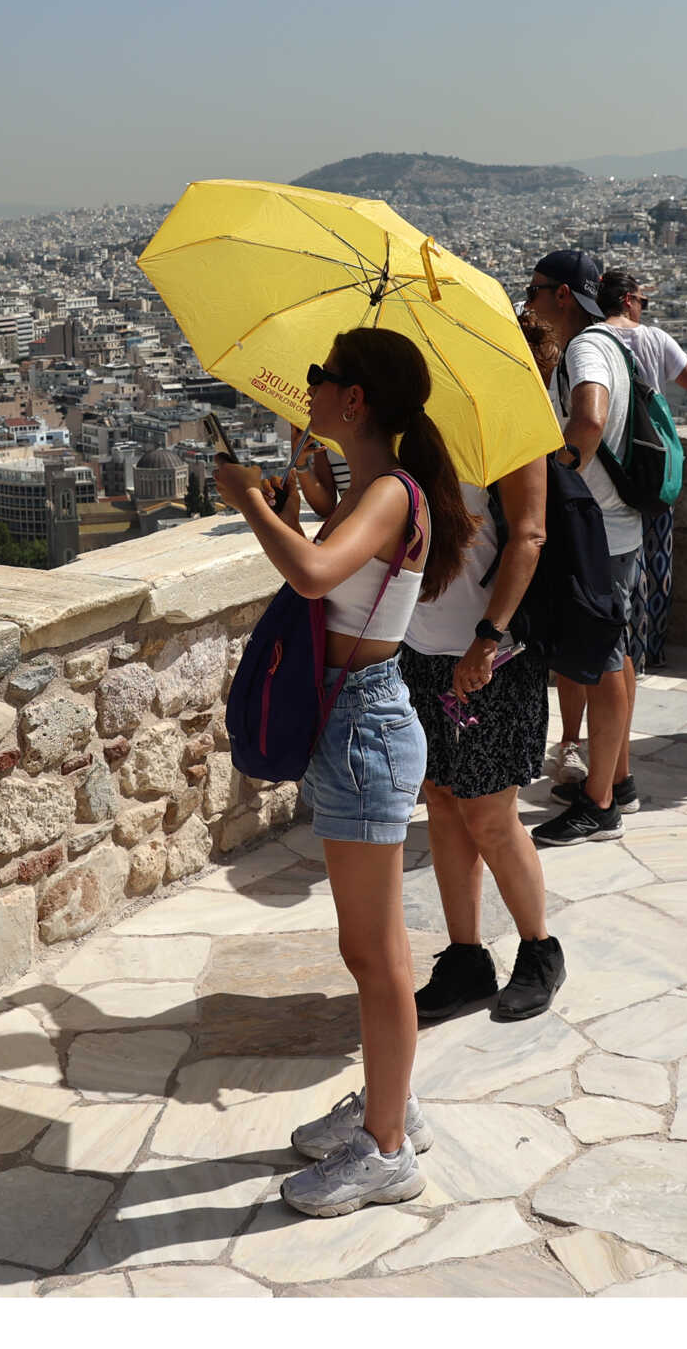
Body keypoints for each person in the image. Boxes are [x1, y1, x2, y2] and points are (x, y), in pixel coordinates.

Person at [214, 326, 470, 1215]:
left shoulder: (392, 494)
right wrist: (305, 500)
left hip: (363, 724)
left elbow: (318, 577)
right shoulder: (376, 490)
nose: (311, 388)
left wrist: (249, 502)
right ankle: (388, 1103)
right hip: (356, 717)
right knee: (375, 952)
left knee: (376, 956)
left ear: (355, 400)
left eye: (322, 377)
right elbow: (335, 570)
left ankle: (386, 1149)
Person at [394, 407, 566, 1024]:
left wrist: (488, 639)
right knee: (441, 798)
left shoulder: (503, 419)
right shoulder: (400, 428)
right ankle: (466, 957)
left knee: (490, 814)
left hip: (494, 652)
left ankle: (540, 949)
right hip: (421, 648)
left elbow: (529, 535)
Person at [519, 250, 643, 846]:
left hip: (596, 526)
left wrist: (558, 477)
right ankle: (615, 782)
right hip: (617, 524)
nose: (529, 299)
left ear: (563, 295)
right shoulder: (613, 342)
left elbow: (588, 421)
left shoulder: (583, 348)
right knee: (611, 655)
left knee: (603, 657)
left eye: (537, 288)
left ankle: (601, 804)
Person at [597, 267, 687, 675]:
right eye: (642, 301)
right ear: (628, 300)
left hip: (603, 467)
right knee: (654, 562)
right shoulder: (653, 338)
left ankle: (609, 648)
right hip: (650, 464)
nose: (644, 309)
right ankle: (647, 649)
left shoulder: (589, 339)